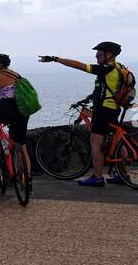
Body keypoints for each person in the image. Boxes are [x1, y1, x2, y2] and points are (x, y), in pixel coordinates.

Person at [37, 42, 125, 187]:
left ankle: (97, 177)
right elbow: (107, 88)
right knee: (117, 141)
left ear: (109, 55)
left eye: (99, 54)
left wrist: (55, 59)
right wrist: (89, 98)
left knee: (96, 142)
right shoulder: (120, 68)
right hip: (114, 108)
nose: (96, 57)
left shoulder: (106, 69)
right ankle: (123, 174)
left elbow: (79, 65)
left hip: (103, 110)